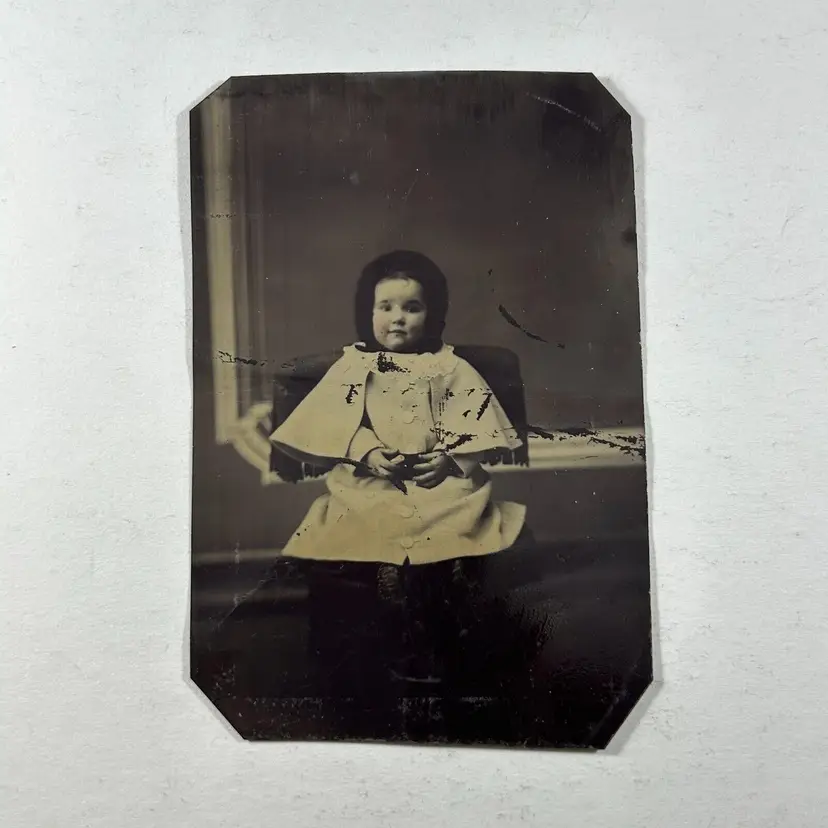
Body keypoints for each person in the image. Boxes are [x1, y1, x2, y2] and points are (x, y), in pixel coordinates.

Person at [268, 250, 528, 686]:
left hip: (440, 486)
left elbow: (476, 425)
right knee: (368, 535)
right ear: (366, 312)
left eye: (412, 307)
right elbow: (331, 427)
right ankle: (380, 647)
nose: (398, 318)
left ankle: (439, 646)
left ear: (433, 314)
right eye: (385, 307)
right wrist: (365, 451)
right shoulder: (355, 367)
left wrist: (450, 459)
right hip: (368, 485)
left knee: (446, 541)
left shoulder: (450, 367)